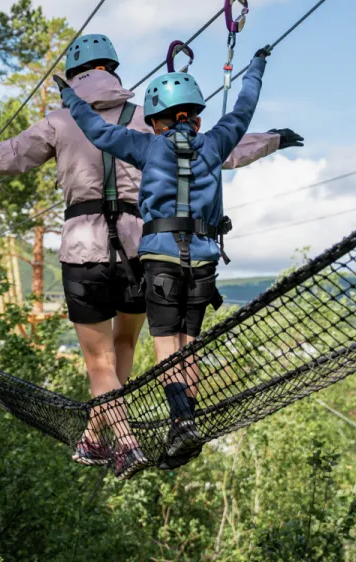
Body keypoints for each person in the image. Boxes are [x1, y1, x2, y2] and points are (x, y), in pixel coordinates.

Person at [0, 34, 300, 475]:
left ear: (76, 74)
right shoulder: (148, 119)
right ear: (112, 70)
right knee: (125, 345)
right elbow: (223, 151)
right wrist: (273, 139)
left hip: (84, 250)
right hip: (146, 250)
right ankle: (92, 437)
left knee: (98, 360)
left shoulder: (61, 122)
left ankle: (126, 444)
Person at [55, 42, 271, 460]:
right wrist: (256, 66)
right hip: (204, 262)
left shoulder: (148, 147)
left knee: (165, 347)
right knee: (188, 345)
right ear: (197, 116)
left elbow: (97, 132)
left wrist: (70, 98)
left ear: (154, 122)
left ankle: (178, 414)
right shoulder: (216, 142)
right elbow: (245, 108)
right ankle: (184, 422)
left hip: (160, 261)